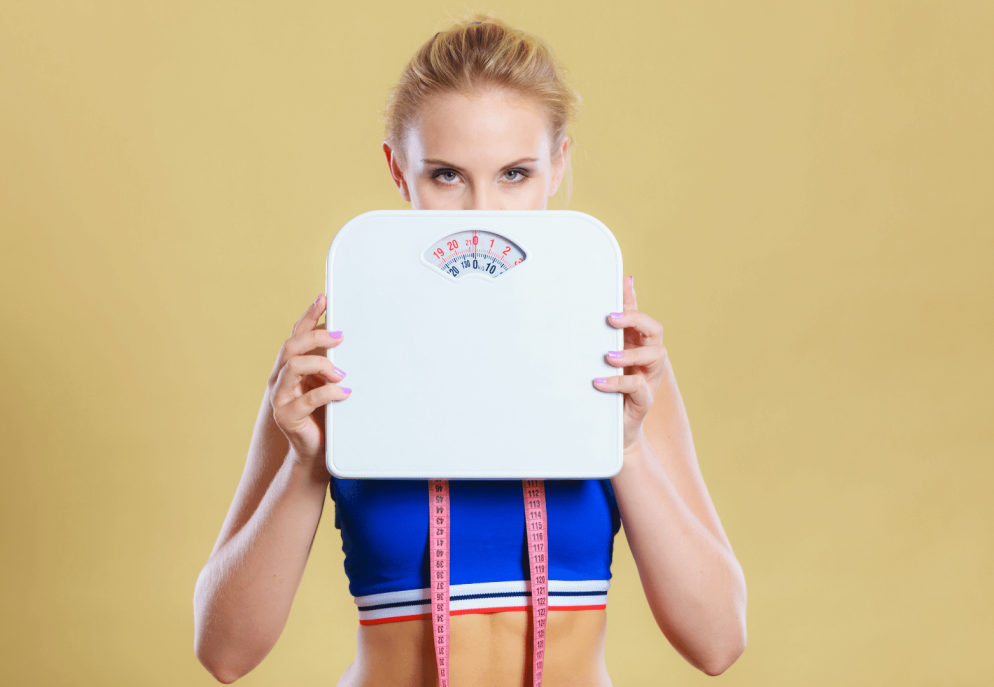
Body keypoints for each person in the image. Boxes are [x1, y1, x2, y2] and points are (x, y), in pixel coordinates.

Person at [193, 15, 747, 686]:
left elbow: (718, 641)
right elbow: (224, 652)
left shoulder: (614, 355)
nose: (483, 209)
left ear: (559, 165)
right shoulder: (335, 354)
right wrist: (308, 464)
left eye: (515, 173)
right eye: (448, 176)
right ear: (399, 171)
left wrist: (623, 446)